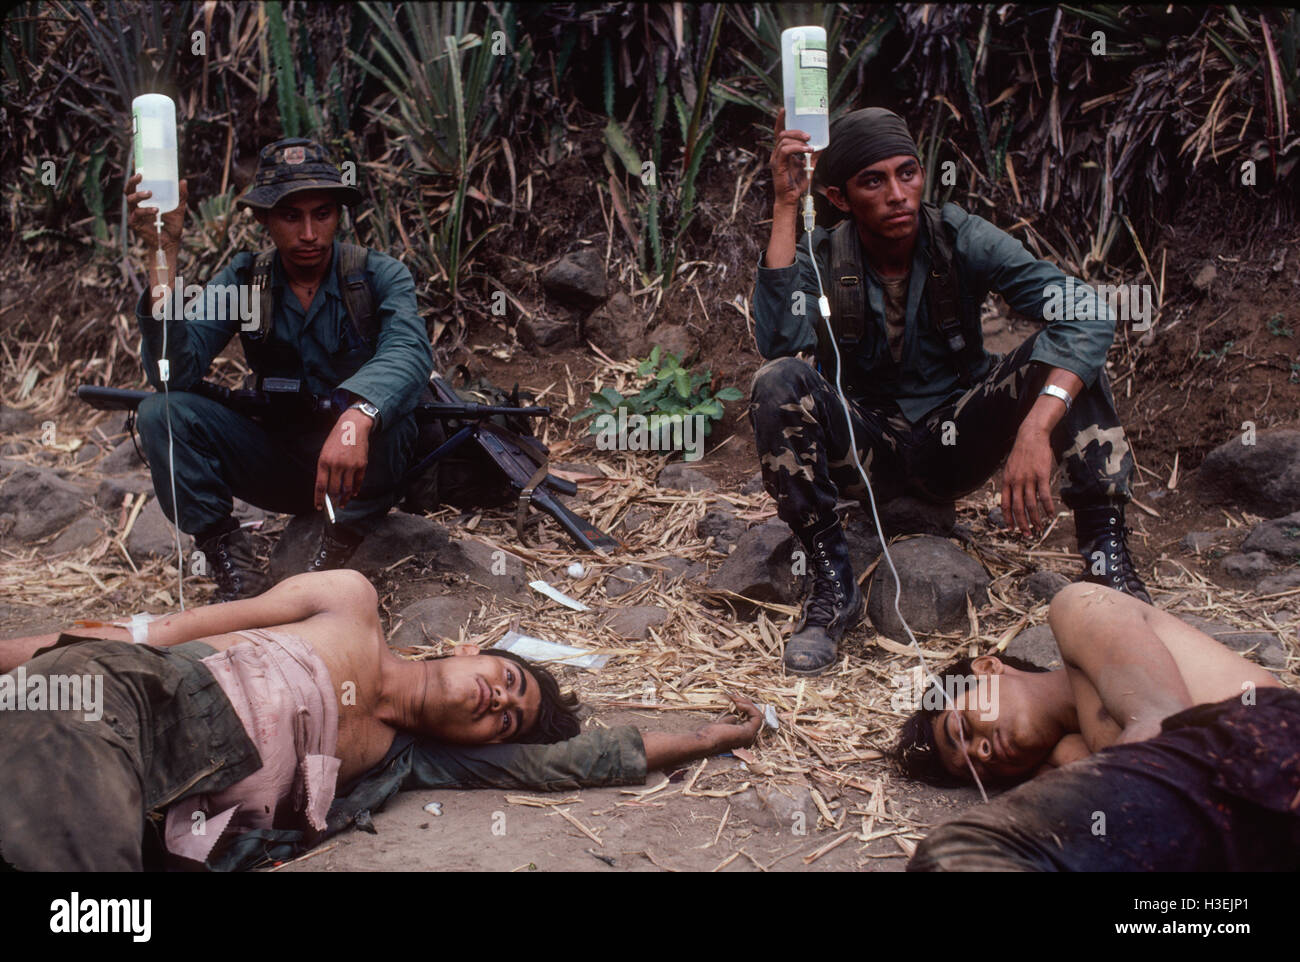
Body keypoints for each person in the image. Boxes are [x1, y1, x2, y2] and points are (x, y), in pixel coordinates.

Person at [0, 570, 762, 871]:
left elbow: (576, 762)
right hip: (134, 700)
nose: (497, 702)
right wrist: (13, 656)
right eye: (505, 680)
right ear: (469, 649)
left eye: (505, 721)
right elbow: (161, 631)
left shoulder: (406, 760)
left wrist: (705, 739)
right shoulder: (349, 601)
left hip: (155, 811)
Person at [751, 106, 1148, 676]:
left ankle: (1107, 558)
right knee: (777, 382)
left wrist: (1036, 425)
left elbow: (1085, 311)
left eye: (907, 173)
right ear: (839, 197)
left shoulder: (959, 235)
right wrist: (787, 205)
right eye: (874, 181)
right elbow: (779, 340)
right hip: (868, 451)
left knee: (1066, 363)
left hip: (957, 437)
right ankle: (832, 583)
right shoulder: (823, 250)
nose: (897, 194)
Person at [125, 138, 433, 601]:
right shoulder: (246, 280)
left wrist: (357, 416)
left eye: (322, 213)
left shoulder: (378, 275)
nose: (309, 233)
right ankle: (232, 565)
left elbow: (409, 350)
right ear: (264, 219)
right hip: (282, 464)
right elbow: (173, 374)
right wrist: (160, 258)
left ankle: (338, 544)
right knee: (159, 412)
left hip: (360, 469)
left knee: (394, 416)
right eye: (291, 216)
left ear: (338, 214)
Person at [893, 582, 1299, 871]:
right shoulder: (1071, 757)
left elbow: (1162, 723)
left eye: (962, 730)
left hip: (1268, 744)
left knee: (954, 853)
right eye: (976, 771)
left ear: (985, 669)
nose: (983, 755)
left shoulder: (1077, 609)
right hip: (1247, 834)